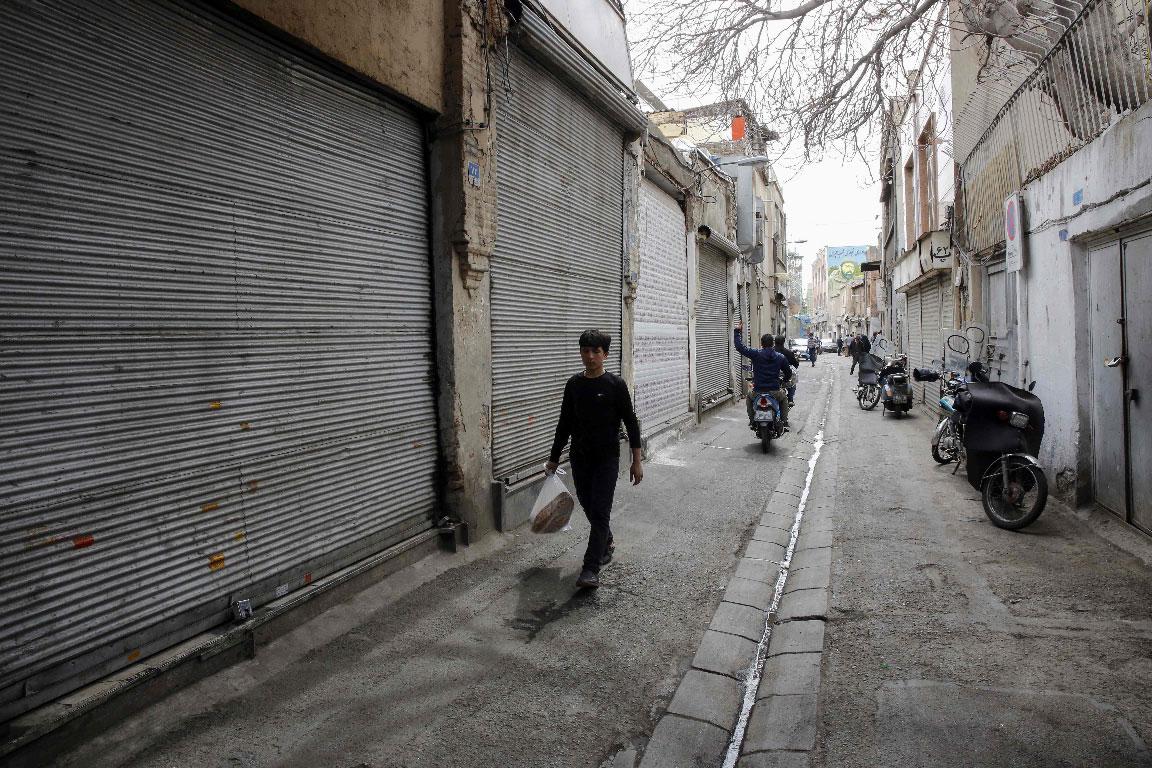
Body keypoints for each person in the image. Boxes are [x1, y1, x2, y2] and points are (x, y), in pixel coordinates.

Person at [546, 329, 642, 590]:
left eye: (595, 352)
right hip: (580, 458)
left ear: (605, 355)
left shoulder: (615, 385)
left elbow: (631, 423)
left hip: (607, 459)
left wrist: (636, 459)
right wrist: (554, 458)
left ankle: (590, 568)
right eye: (585, 351)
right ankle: (607, 540)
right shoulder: (574, 385)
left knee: (600, 510)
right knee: (589, 506)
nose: (589, 356)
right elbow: (564, 424)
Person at [733, 321, 790, 428]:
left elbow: (740, 347)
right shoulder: (780, 357)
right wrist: (784, 380)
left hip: (758, 390)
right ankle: (784, 421)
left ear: (761, 343)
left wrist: (737, 331)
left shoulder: (756, 354)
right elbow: (788, 373)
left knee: (749, 398)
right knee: (784, 399)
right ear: (772, 344)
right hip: (775, 391)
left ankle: (751, 420)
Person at [773, 334, 800, 406]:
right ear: (783, 342)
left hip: (772, 375)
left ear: (774, 342)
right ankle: (790, 399)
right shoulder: (788, 352)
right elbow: (795, 364)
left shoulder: (770, 352)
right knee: (792, 384)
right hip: (786, 376)